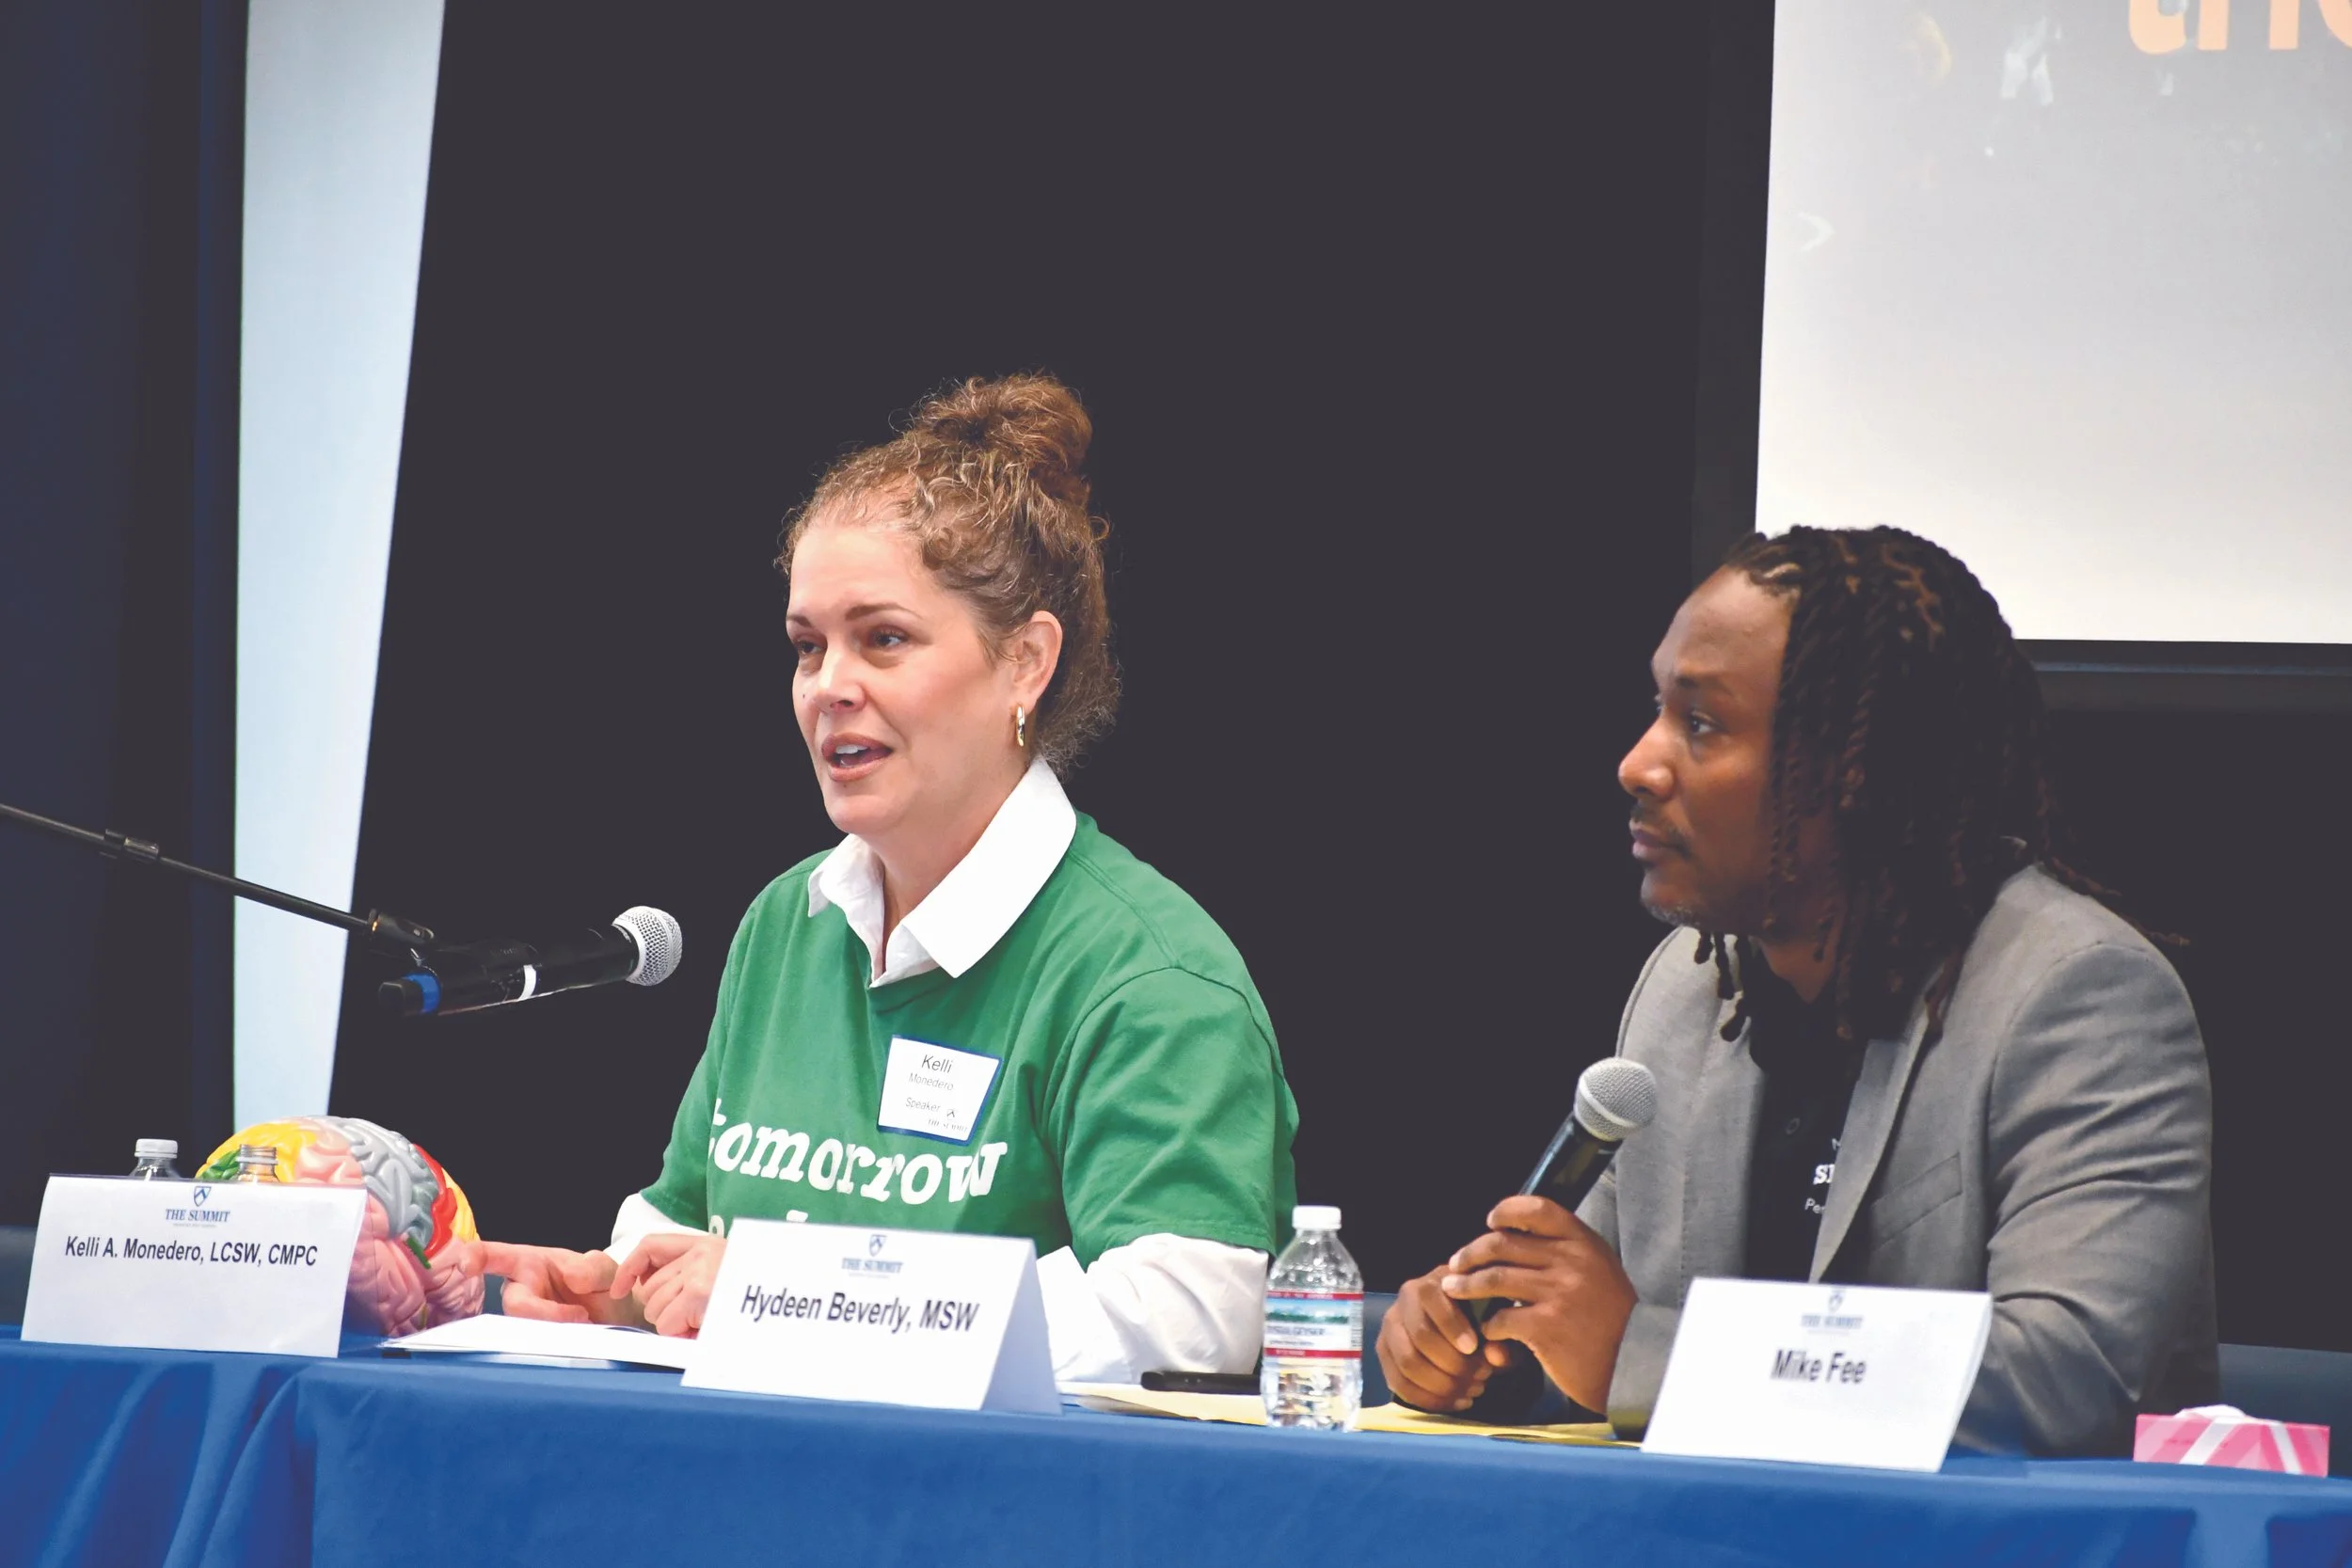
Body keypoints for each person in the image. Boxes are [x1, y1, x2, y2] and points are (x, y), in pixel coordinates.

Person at [475, 374, 1298, 1380]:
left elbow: (1190, 1315)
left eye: (884, 639)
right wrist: (618, 1284)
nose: (829, 688)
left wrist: (783, 1298)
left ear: (1026, 663)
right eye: (807, 646)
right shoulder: (787, 921)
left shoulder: (1150, 975)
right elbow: (687, 1214)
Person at [1376, 526, 2215, 1455]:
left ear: (1858, 770)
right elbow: (1596, 1323)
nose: (1637, 763)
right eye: (1656, 709)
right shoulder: (1690, 987)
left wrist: (1642, 1351)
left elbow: (2064, 1380)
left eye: (1700, 723)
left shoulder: (2075, 994)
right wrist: (1495, 1347)